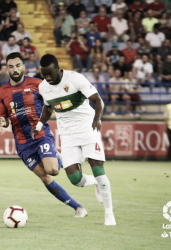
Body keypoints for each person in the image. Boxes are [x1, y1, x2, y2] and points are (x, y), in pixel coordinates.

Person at [0, 52, 89, 218]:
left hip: (40, 135)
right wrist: (3, 121)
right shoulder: (1, 92)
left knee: (53, 170)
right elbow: (3, 116)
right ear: (7, 69)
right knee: (45, 177)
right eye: (11, 67)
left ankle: (59, 155)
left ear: (23, 66)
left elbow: (51, 103)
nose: (15, 70)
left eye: (18, 66)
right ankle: (78, 208)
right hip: (23, 143)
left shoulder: (38, 84)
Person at [33, 53, 115, 225]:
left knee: (98, 170)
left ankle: (109, 214)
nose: (47, 77)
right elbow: (48, 108)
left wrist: (96, 119)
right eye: (44, 74)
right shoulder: (43, 87)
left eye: (50, 74)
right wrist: (39, 125)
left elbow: (97, 100)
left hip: (87, 128)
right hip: (67, 135)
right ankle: (96, 183)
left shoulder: (76, 79)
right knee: (75, 179)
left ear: (57, 68)